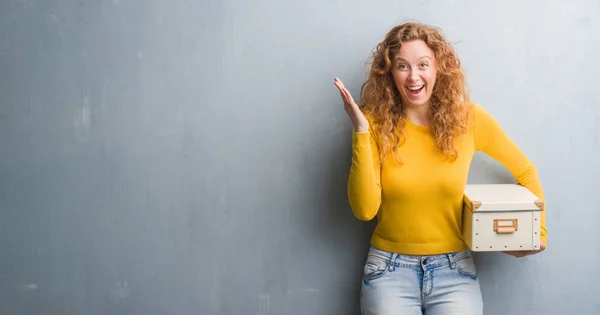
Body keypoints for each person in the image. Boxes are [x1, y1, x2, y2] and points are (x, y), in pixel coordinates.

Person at [333, 22, 547, 315]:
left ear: (438, 68)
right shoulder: (373, 123)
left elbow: (526, 171)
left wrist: (537, 234)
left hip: (454, 270)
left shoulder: (470, 120)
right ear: (390, 73)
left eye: (423, 64)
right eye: (402, 66)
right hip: (388, 271)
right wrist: (359, 130)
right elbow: (365, 210)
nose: (414, 76)